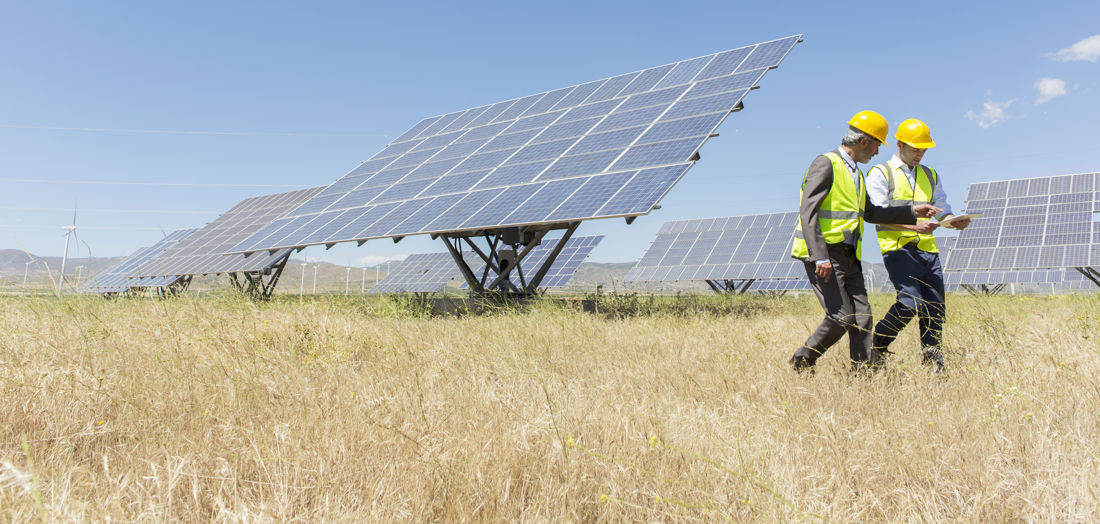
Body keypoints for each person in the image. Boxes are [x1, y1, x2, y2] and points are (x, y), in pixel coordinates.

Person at [789, 110, 941, 372]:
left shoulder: (856, 174)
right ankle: (802, 361)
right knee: (841, 317)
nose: (877, 153)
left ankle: (862, 376)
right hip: (825, 253)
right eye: (876, 146)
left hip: (849, 255)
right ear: (864, 142)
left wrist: (912, 211)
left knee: (862, 318)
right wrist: (820, 256)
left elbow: (871, 213)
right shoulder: (826, 163)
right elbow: (808, 211)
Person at [867, 118, 969, 373]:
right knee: (910, 302)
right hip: (898, 248)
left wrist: (951, 220)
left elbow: (942, 207)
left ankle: (934, 364)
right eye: (915, 149)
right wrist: (913, 226)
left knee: (935, 308)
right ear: (899, 145)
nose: (920, 154)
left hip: (929, 250)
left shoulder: (930, 175)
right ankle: (876, 344)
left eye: (924, 149)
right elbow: (877, 214)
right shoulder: (881, 173)